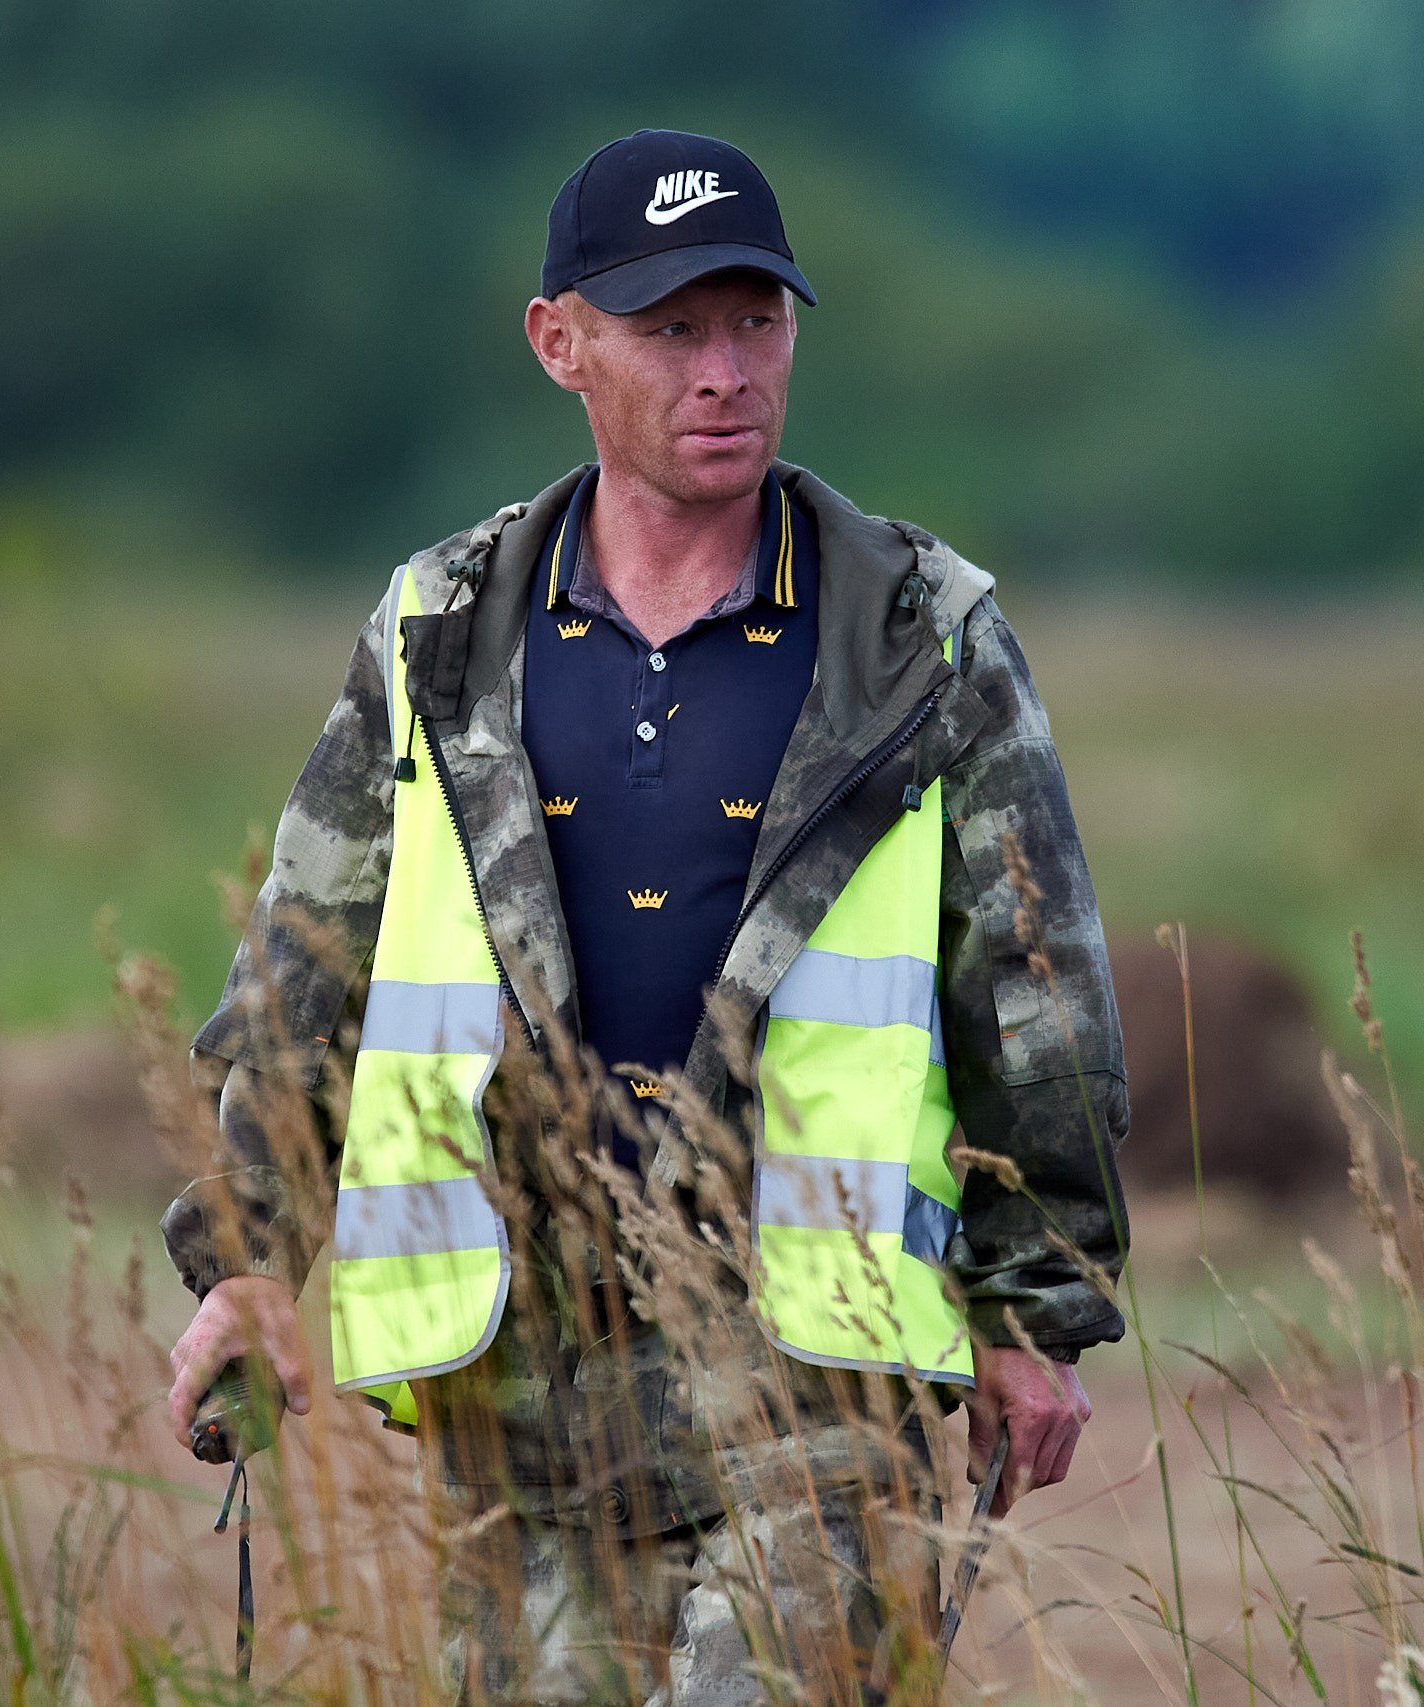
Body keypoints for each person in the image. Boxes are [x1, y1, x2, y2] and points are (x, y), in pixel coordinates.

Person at [160, 129, 1131, 1703]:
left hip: (823, 1380)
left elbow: (1037, 991)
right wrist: (250, 1260)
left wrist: (1040, 1308)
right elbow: (305, 969)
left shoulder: (920, 636)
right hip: (523, 1389)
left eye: (757, 322)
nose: (725, 372)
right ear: (561, 344)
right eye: (672, 330)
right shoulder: (442, 629)